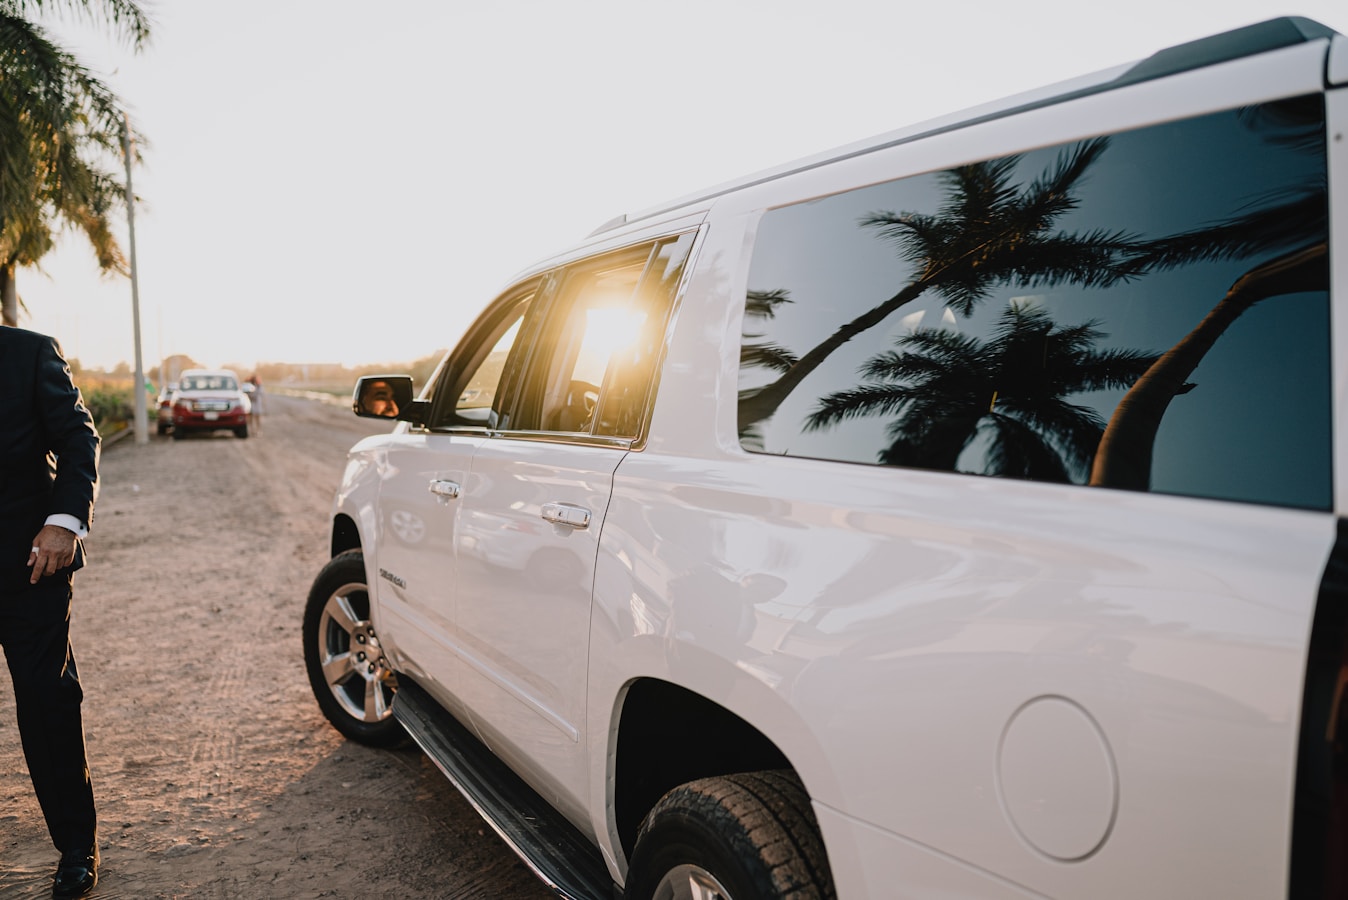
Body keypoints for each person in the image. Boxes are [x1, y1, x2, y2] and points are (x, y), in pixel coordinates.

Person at [0, 327, 102, 898]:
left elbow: (78, 437)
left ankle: (75, 845)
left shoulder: (29, 352)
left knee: (46, 704)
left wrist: (64, 523)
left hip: (31, 565)